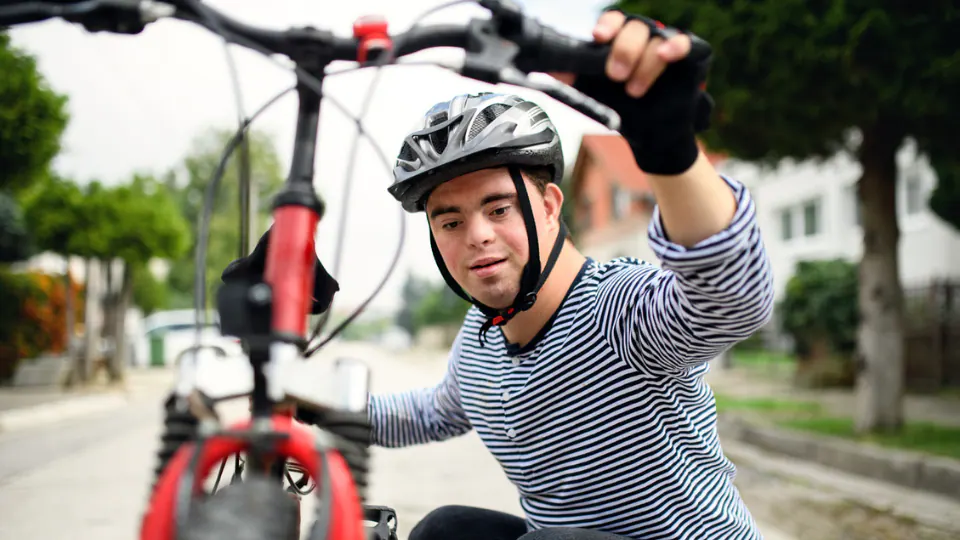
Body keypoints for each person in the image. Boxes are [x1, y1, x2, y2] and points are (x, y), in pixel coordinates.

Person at [222, 7, 775, 540]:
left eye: (499, 208)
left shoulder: (620, 309)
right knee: (446, 530)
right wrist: (307, 398)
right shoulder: (481, 340)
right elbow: (429, 413)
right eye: (451, 220)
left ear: (552, 205)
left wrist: (670, 153)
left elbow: (730, 302)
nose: (476, 236)